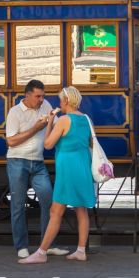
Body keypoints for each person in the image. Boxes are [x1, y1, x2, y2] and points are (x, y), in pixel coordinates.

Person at [19, 86, 96, 264]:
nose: (59, 103)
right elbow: (90, 143)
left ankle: (41, 253)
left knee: (55, 211)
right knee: (81, 209)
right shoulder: (86, 119)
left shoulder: (63, 120)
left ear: (67, 101)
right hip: (83, 167)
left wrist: (50, 122)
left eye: (61, 100)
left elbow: (47, 144)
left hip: (68, 170)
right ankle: (81, 251)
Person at [5, 80, 68, 259]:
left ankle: (47, 245)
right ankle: (21, 246)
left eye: (43, 96)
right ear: (27, 95)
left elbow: (55, 127)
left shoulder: (45, 105)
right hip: (17, 161)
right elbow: (11, 141)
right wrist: (36, 128)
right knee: (18, 205)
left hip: (38, 162)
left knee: (49, 201)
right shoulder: (15, 112)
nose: (41, 100)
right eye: (38, 96)